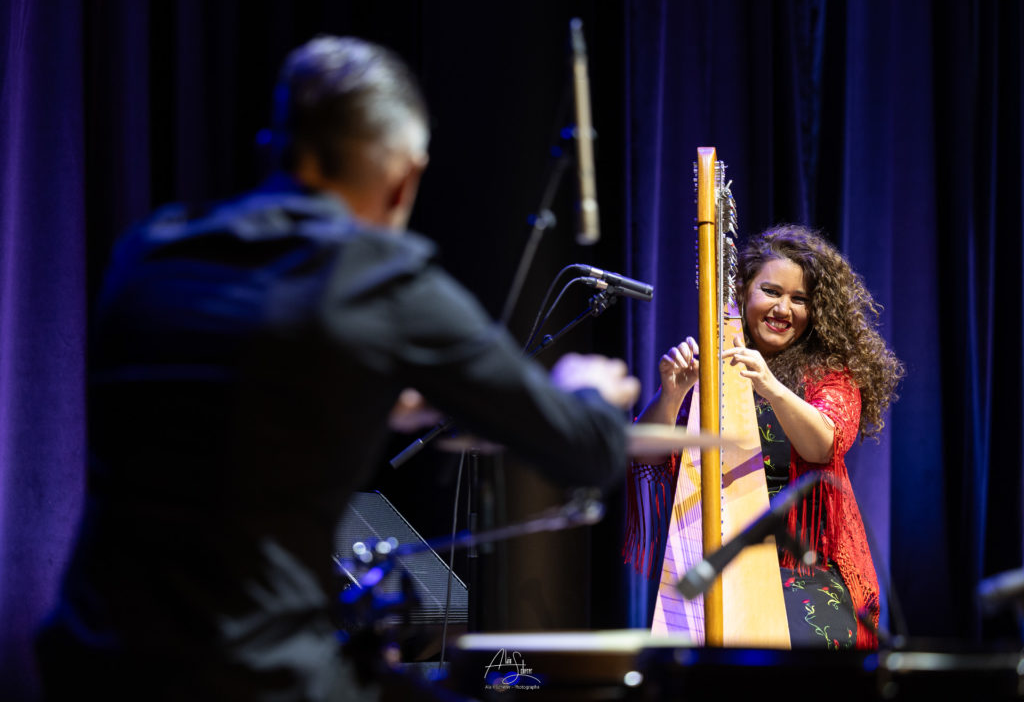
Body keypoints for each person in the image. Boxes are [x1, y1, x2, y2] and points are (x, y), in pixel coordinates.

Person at [36, 35, 640, 701]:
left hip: (92, 661)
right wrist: (585, 390)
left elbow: (225, 413)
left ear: (275, 145)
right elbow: (588, 451)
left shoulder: (149, 252)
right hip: (254, 674)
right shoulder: (379, 279)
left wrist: (369, 401)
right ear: (405, 178)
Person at [626, 224, 903, 649]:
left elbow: (823, 446)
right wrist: (672, 392)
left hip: (806, 567)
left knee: (786, 650)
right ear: (742, 291)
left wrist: (770, 386)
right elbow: (645, 451)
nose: (783, 309)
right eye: (771, 292)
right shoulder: (713, 371)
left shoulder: (830, 375)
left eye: (799, 299)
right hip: (720, 561)